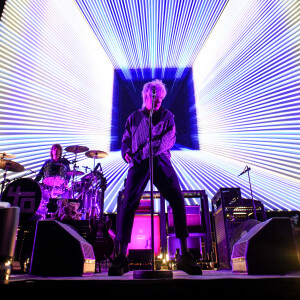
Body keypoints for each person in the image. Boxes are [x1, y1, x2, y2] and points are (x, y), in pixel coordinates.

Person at [109, 79, 202, 276]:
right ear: (145, 97)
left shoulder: (168, 116)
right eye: (154, 97)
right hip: (138, 163)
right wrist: (126, 152)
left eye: (160, 97)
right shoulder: (134, 118)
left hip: (160, 160)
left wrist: (146, 150)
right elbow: (126, 139)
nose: (158, 100)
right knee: (128, 204)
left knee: (177, 199)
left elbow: (169, 139)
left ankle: (185, 254)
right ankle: (121, 255)